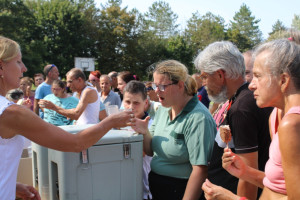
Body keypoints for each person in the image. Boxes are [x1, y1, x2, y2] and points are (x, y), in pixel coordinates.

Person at [0, 36, 134, 200]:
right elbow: (76, 143)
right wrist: (112, 121)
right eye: (19, 62)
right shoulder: (12, 113)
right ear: (1, 66)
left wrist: (11, 186)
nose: (24, 68)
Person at [202, 39, 300, 200]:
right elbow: (279, 187)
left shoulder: (292, 125)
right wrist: (246, 172)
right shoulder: (276, 115)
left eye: (258, 76)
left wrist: (232, 198)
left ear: (283, 80)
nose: (251, 85)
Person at [194, 41, 272, 200]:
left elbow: (247, 174)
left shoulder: (242, 108)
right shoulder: (242, 100)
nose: (203, 83)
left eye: (204, 76)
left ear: (220, 75)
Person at [131, 60, 216, 200]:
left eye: (162, 86)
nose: (156, 91)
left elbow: (200, 171)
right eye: (154, 85)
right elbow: (151, 150)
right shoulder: (164, 109)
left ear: (180, 85)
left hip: (180, 189)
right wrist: (144, 131)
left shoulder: (198, 118)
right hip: (160, 189)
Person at [123, 80, 153, 200]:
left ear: (145, 103)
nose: (131, 107)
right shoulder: (120, 123)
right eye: (127, 102)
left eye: (136, 103)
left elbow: (140, 152)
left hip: (145, 188)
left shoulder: (151, 125)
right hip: (125, 186)